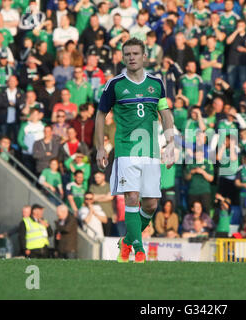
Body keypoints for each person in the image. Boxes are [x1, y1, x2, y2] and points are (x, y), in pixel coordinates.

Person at [95, 38, 175, 263]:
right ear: (123, 56)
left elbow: (165, 113)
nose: (131, 57)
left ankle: (127, 241)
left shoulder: (156, 83)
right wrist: (101, 146)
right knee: (131, 197)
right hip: (126, 148)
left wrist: (170, 143)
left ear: (144, 56)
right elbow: (101, 114)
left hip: (150, 150)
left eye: (135, 53)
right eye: (127, 53)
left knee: (151, 204)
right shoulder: (114, 84)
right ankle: (138, 249)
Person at [89, 171, 115, 237]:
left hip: (108, 215)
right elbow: (91, 197)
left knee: (107, 236)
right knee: (98, 236)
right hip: (97, 216)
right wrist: (105, 195)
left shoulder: (110, 186)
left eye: (98, 177)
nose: (96, 179)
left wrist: (96, 197)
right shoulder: (93, 186)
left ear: (103, 177)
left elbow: (110, 197)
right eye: (95, 177)